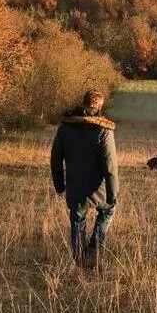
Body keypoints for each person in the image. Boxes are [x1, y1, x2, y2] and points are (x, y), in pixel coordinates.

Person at [50, 89, 119, 271]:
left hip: (75, 188)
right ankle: (93, 250)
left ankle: (80, 260)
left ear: (83, 103)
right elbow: (110, 166)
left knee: (77, 221)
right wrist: (113, 194)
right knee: (108, 211)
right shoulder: (104, 131)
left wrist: (59, 185)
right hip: (99, 188)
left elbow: (55, 159)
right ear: (99, 106)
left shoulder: (65, 127)